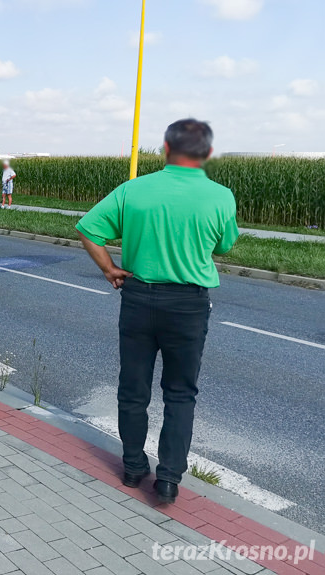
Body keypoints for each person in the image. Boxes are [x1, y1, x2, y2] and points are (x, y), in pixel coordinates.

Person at [75, 119, 238, 504]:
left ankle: (133, 467)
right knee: (180, 393)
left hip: (138, 298)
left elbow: (88, 228)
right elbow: (225, 246)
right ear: (208, 153)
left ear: (165, 148)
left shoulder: (134, 189)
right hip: (188, 305)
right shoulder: (220, 196)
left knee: (133, 388)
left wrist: (109, 268)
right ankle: (168, 480)